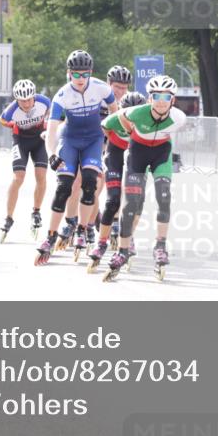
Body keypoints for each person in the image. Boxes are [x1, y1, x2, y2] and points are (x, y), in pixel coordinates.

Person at [35, 50, 117, 265]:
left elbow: (114, 111)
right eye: (76, 74)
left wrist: (110, 135)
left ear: (91, 72)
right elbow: (51, 129)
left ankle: (81, 229)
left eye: (85, 74)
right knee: (64, 187)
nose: (80, 79)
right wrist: (52, 154)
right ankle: (50, 236)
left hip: (93, 141)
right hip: (69, 140)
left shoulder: (101, 88)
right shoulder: (61, 95)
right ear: (69, 73)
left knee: (89, 183)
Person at [101, 75, 186, 282]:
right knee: (131, 203)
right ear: (149, 98)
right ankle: (122, 251)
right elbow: (108, 122)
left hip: (161, 155)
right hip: (137, 153)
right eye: (156, 96)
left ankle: (160, 246)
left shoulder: (179, 117)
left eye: (166, 97)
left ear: (173, 100)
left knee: (164, 197)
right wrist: (128, 131)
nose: (161, 101)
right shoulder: (137, 112)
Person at [59, 64, 133, 253]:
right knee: (79, 183)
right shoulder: (97, 96)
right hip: (90, 144)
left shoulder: (127, 103)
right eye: (117, 87)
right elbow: (70, 120)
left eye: (124, 88)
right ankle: (74, 222)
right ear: (109, 84)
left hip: (112, 147)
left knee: (107, 186)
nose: (120, 92)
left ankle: (100, 223)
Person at [87, 91, 145, 271]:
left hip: (136, 156)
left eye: (136, 114)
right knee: (113, 201)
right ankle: (101, 243)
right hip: (114, 155)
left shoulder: (148, 122)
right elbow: (101, 133)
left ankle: (129, 238)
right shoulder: (112, 120)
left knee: (135, 202)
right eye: (127, 114)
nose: (131, 119)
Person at [0, 79, 52, 242]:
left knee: (41, 175)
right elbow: (2, 120)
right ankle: (8, 217)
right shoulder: (11, 110)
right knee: (18, 178)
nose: (27, 104)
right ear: (16, 100)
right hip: (21, 141)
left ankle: (36, 212)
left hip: (39, 140)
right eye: (22, 101)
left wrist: (47, 122)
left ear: (34, 96)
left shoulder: (44, 102)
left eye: (29, 100)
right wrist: (13, 126)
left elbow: (53, 111)